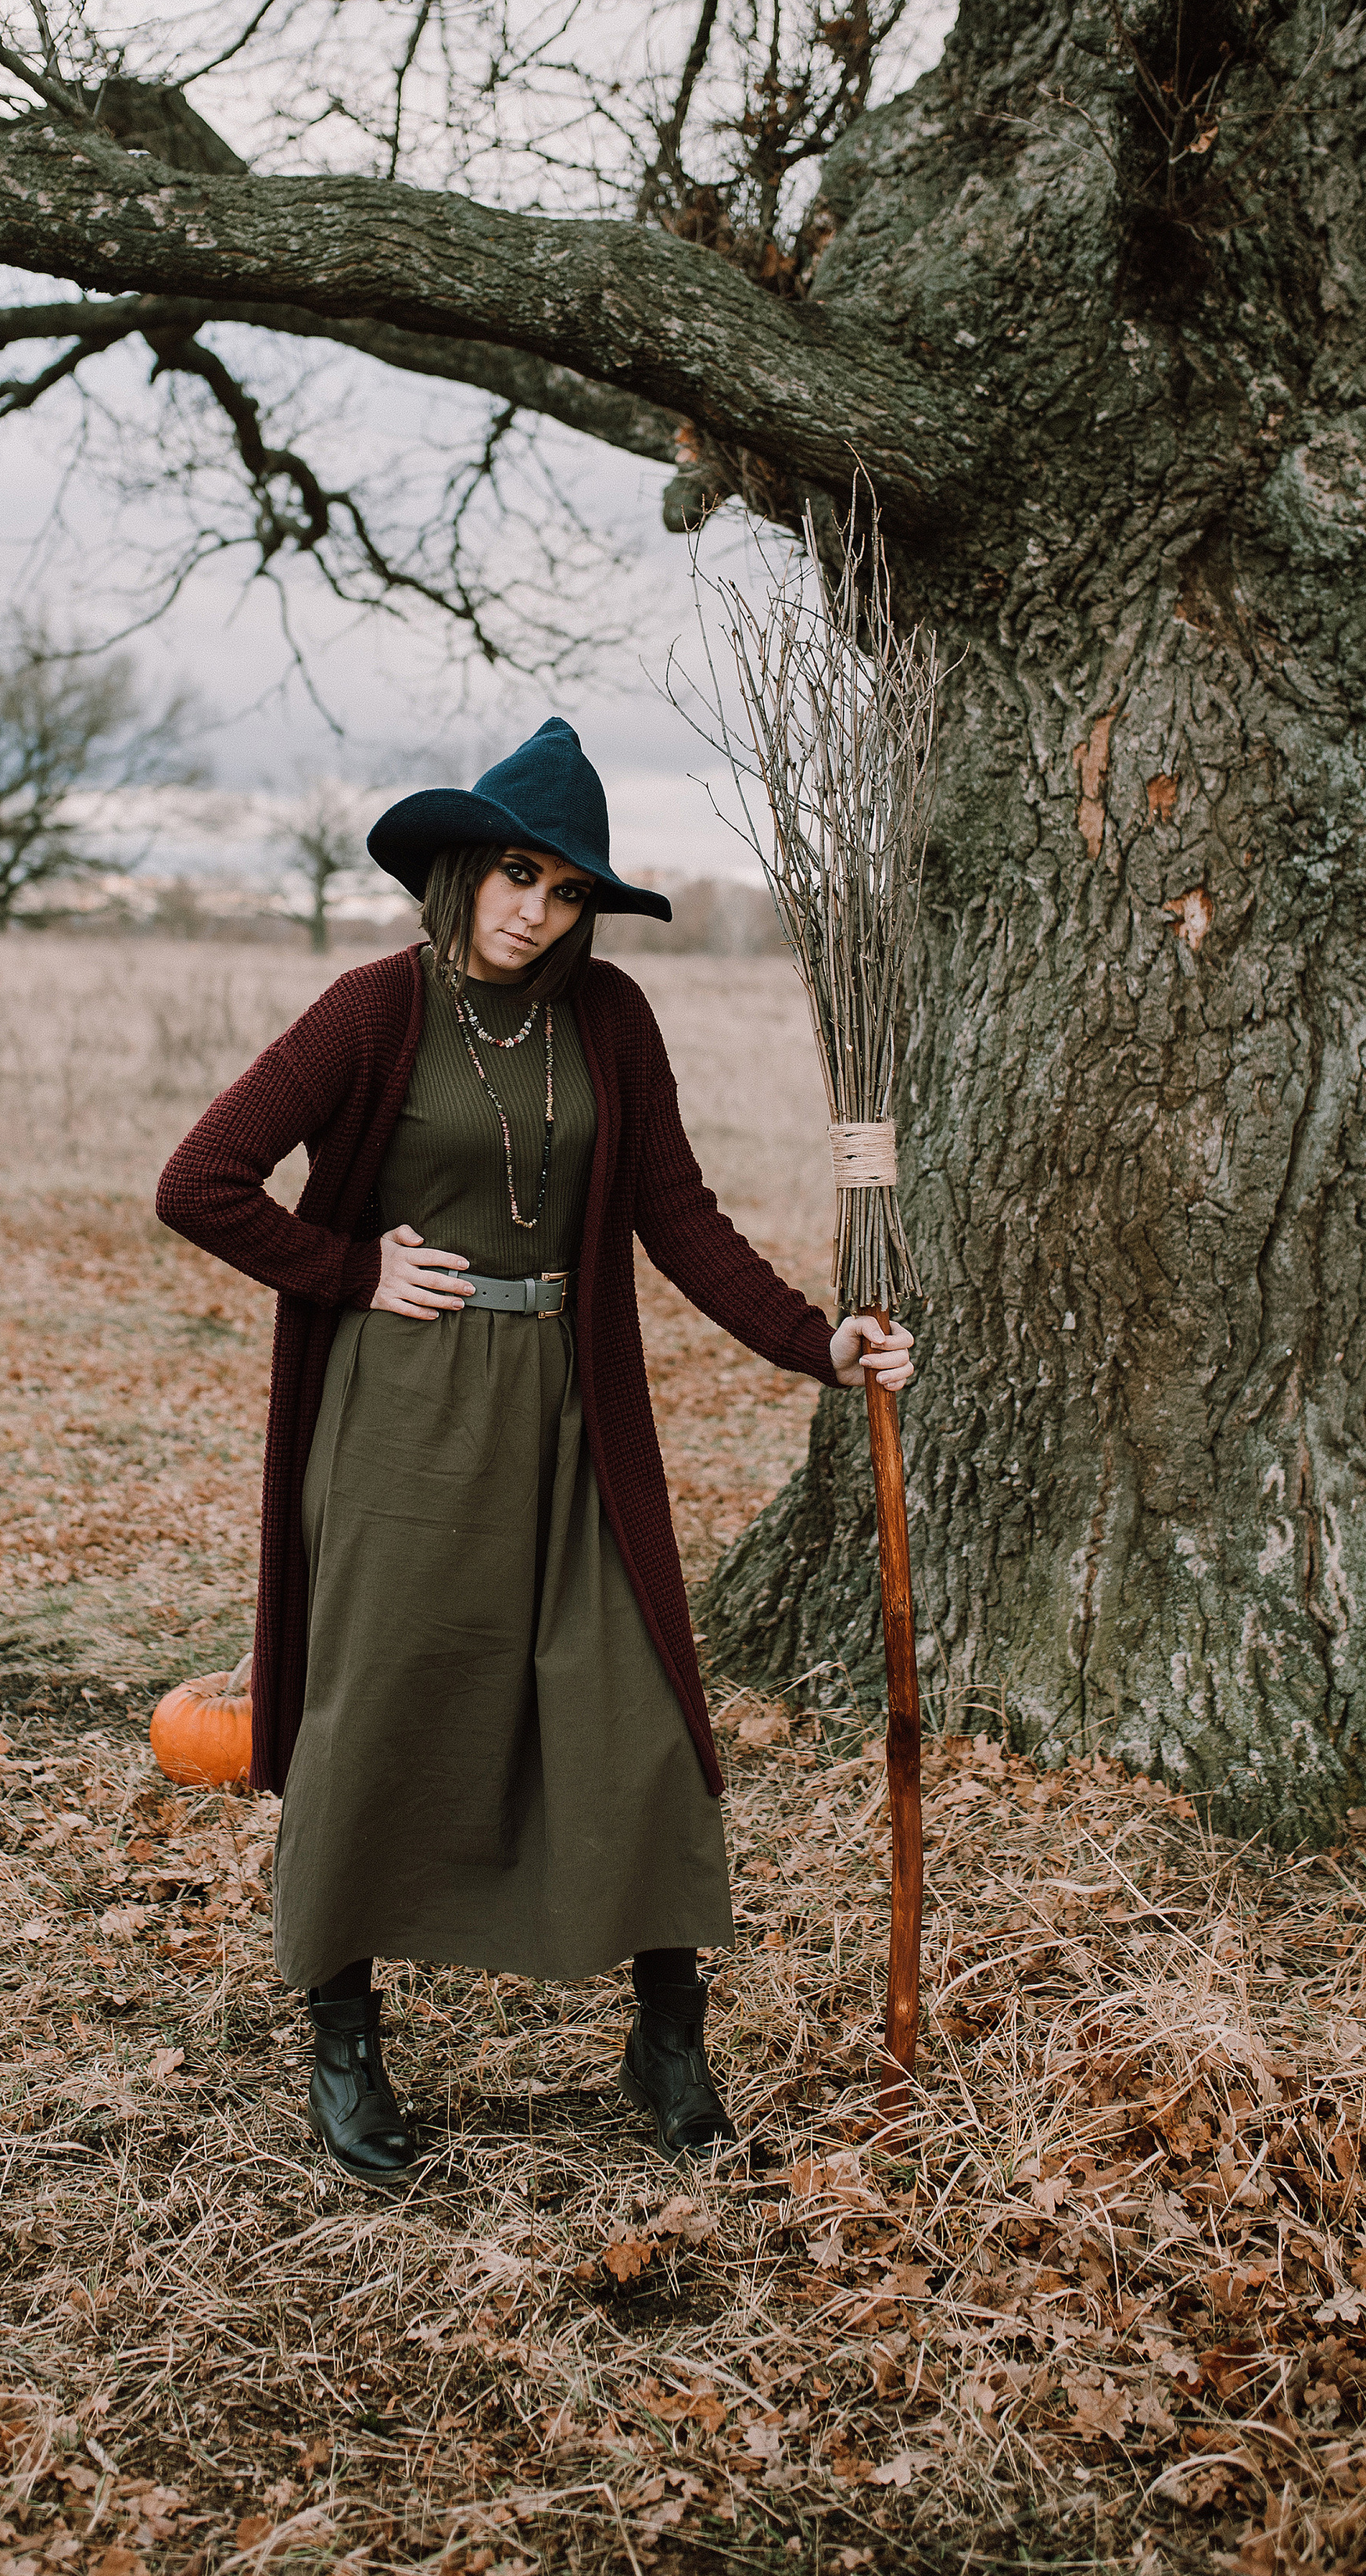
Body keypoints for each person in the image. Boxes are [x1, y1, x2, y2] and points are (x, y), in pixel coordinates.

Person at [155, 719, 913, 2184]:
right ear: (460, 868)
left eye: (568, 892)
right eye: (518, 875)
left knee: (633, 1707)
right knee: (379, 1707)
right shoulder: (373, 1011)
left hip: (569, 1409)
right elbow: (202, 1180)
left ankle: (668, 2037)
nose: (539, 912)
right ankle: (345, 2041)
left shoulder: (610, 1018)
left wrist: (815, 1344)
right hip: (404, 1414)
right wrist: (349, 1270)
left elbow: (676, 1213)